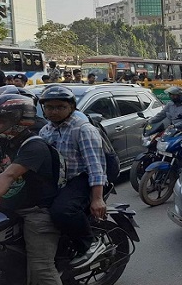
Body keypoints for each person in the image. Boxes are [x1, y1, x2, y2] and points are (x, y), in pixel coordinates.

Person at [0, 94, 62, 284]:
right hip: (9, 208)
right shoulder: (9, 143)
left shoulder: (34, 146)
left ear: (19, 120)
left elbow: (7, 176)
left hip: (36, 213)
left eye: (1, 120)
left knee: (41, 268)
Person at [38, 85, 108, 269]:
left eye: (60, 107)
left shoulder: (82, 129)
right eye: (49, 107)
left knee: (62, 211)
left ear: (71, 108)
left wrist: (97, 198)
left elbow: (95, 165)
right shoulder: (45, 131)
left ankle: (90, 244)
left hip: (81, 178)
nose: (54, 111)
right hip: (59, 180)